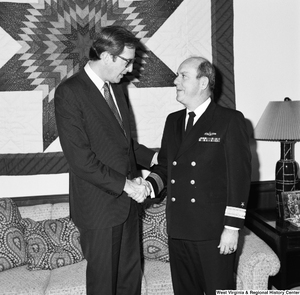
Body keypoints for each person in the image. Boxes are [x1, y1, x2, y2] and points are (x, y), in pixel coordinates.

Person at [54, 25, 157, 295]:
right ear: (109, 57)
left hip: (128, 207)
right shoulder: (70, 92)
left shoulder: (117, 89)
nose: (130, 69)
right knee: (103, 287)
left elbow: (123, 145)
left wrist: (156, 157)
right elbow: (81, 160)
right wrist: (127, 185)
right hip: (99, 209)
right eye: (127, 62)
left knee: (129, 282)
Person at [141, 57, 251, 295]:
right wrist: (148, 186)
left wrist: (232, 228)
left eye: (183, 76)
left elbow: (239, 178)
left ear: (203, 82)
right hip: (179, 228)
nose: (175, 81)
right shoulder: (173, 121)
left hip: (212, 231)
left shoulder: (229, 120)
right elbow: (164, 166)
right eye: (177, 76)